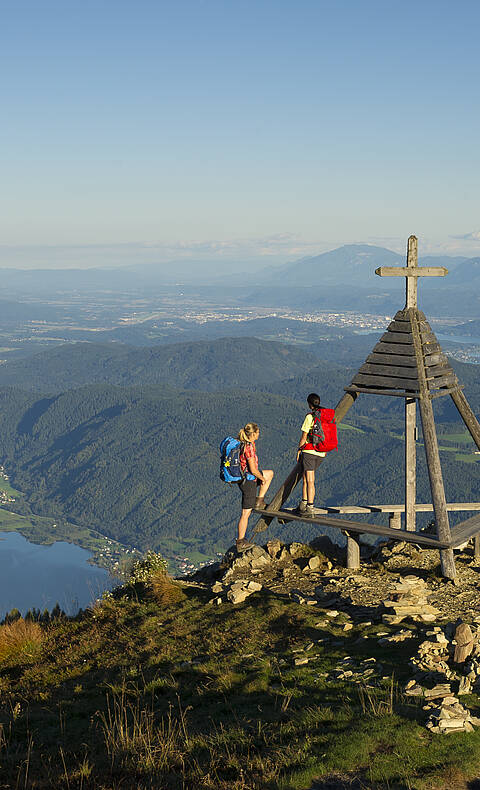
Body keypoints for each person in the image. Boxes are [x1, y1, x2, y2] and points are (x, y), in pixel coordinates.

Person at [236, 422, 274, 551]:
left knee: (270, 474)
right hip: (249, 482)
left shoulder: (244, 443)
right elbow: (252, 469)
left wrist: (263, 477)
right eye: (258, 432)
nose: (259, 434)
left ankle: (259, 500)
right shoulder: (249, 447)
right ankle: (240, 541)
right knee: (245, 513)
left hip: (246, 479)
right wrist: (261, 478)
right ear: (253, 434)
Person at [295, 393, 325, 517]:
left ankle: (310, 508)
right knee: (306, 478)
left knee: (310, 480)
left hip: (309, 452)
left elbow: (303, 437)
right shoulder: (324, 416)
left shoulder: (310, 417)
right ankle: (303, 503)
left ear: (309, 404)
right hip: (321, 452)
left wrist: (298, 450)